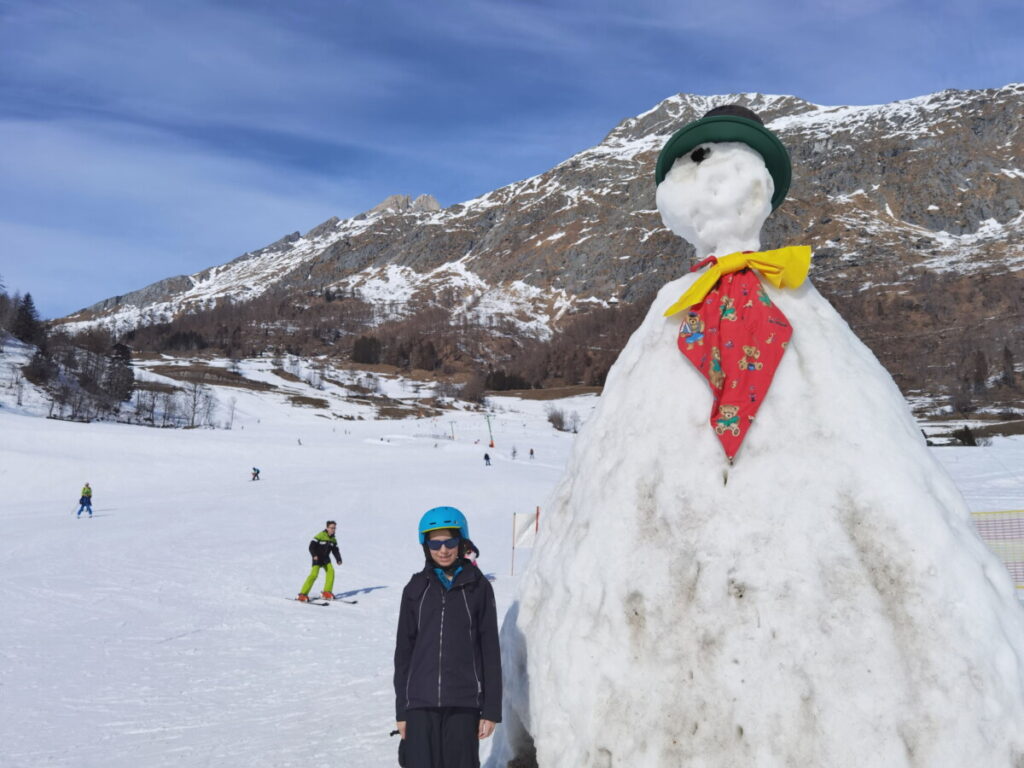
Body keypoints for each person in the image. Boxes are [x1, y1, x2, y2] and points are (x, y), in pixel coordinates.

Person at [394, 507, 501, 767]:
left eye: (450, 542)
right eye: (435, 543)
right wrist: (402, 710)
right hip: (419, 704)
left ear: (461, 541)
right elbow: (404, 653)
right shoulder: (416, 588)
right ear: (426, 546)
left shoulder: (478, 587)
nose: (443, 550)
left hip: (464, 702)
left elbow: (490, 650)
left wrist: (491, 710)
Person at [297, 521, 343, 601]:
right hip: (317, 558)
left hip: (325, 559)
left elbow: (335, 550)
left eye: (334, 528)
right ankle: (302, 594)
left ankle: (326, 592)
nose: (333, 530)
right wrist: (314, 555)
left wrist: (338, 559)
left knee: (331, 571)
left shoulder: (333, 539)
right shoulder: (320, 535)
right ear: (327, 528)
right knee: (314, 575)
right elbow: (311, 546)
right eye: (332, 528)